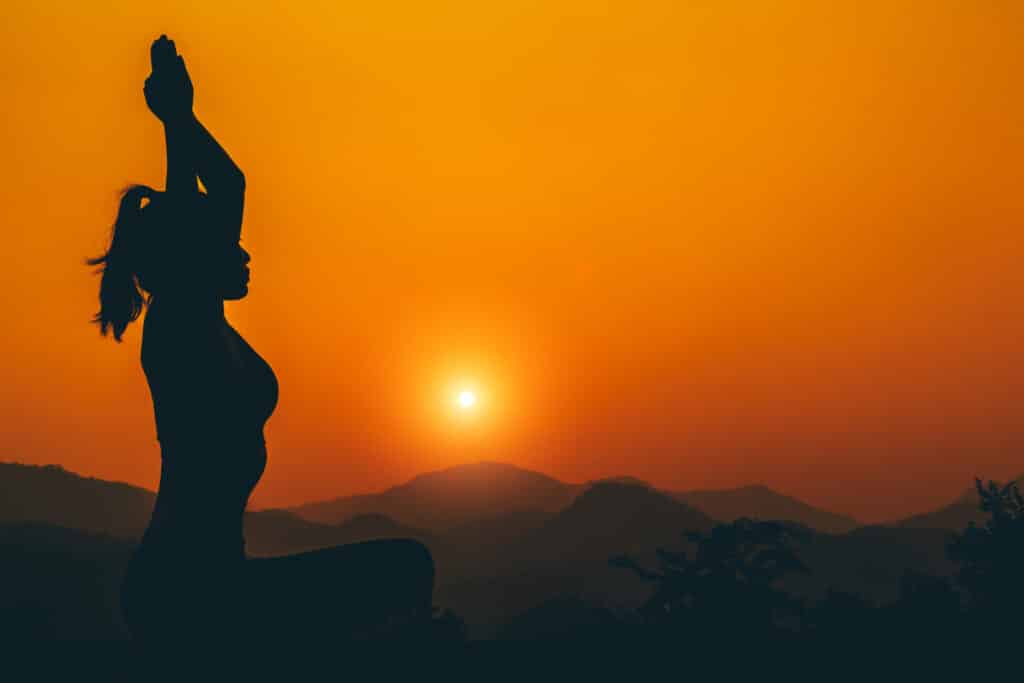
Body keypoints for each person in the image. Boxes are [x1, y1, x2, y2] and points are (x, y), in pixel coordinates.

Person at [87, 35, 434, 652]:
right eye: (228, 245)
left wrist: (181, 119)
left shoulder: (196, 320)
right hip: (186, 592)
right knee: (406, 572)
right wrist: (175, 123)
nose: (243, 250)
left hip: (206, 580)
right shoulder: (180, 327)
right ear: (192, 263)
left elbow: (217, 199)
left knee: (407, 569)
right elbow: (213, 214)